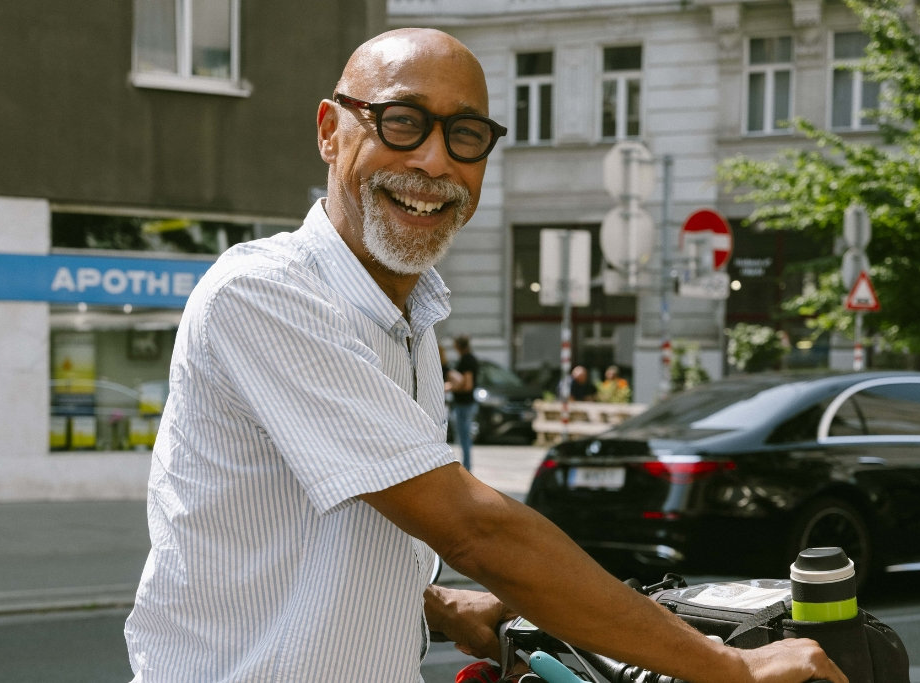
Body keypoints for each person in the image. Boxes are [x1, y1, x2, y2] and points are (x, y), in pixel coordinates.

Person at [124, 27, 846, 683]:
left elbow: (305, 531)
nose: (434, 161)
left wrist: (430, 603)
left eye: (465, 134)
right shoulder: (264, 293)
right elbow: (473, 525)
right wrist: (729, 666)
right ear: (330, 130)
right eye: (402, 122)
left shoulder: (411, 313)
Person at [445, 334, 478, 469]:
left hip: (464, 404)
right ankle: (467, 466)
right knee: (464, 438)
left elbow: (467, 385)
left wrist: (450, 388)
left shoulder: (467, 361)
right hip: (467, 403)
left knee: (464, 438)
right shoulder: (470, 359)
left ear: (458, 346)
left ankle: (467, 467)